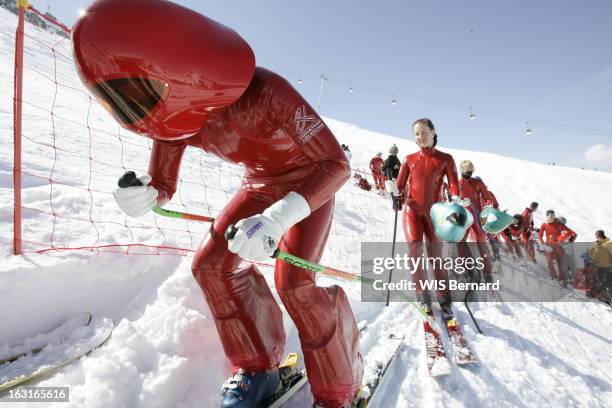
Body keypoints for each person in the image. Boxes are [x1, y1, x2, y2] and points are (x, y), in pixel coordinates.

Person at [72, 2, 362, 407]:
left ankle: (338, 391)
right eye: (122, 99)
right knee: (213, 267)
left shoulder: (269, 92)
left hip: (306, 187)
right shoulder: (175, 114)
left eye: (138, 94)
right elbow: (162, 181)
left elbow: (335, 164)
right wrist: (148, 192)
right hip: (260, 186)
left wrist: (279, 218)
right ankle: (257, 366)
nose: (136, 109)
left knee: (295, 285)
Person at [386, 119, 459, 319]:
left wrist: (457, 197)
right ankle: (423, 296)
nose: (420, 137)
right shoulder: (409, 159)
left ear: (434, 132)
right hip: (412, 210)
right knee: (415, 248)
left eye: (424, 132)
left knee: (436, 256)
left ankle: (444, 298)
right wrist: (393, 190)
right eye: (416, 134)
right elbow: (399, 187)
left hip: (437, 213)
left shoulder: (445, 159)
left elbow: (454, 184)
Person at [457, 160, 494, 282]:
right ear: (462, 171)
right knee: (460, 241)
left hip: (477, 216)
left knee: (481, 241)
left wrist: (488, 207)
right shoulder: (457, 184)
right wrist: (458, 202)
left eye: (471, 171)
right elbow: (451, 200)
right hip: (463, 216)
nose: (469, 174)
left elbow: (488, 198)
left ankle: (487, 272)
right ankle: (468, 270)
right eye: (467, 172)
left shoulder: (477, 183)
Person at [538, 210, 577, 286]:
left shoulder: (561, 226)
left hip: (559, 247)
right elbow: (540, 236)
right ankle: (554, 276)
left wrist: (568, 242)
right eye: (550, 216)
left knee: (560, 263)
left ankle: (562, 279)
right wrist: (544, 245)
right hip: (549, 246)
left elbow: (573, 235)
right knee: (550, 262)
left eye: (553, 216)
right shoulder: (545, 224)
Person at [584, 230, 612, 301]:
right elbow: (590, 252)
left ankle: (595, 293)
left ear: (598, 235)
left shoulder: (608, 244)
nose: (596, 236)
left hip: (604, 265)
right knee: (596, 278)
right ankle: (593, 292)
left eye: (597, 235)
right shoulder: (597, 243)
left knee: (603, 280)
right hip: (596, 264)